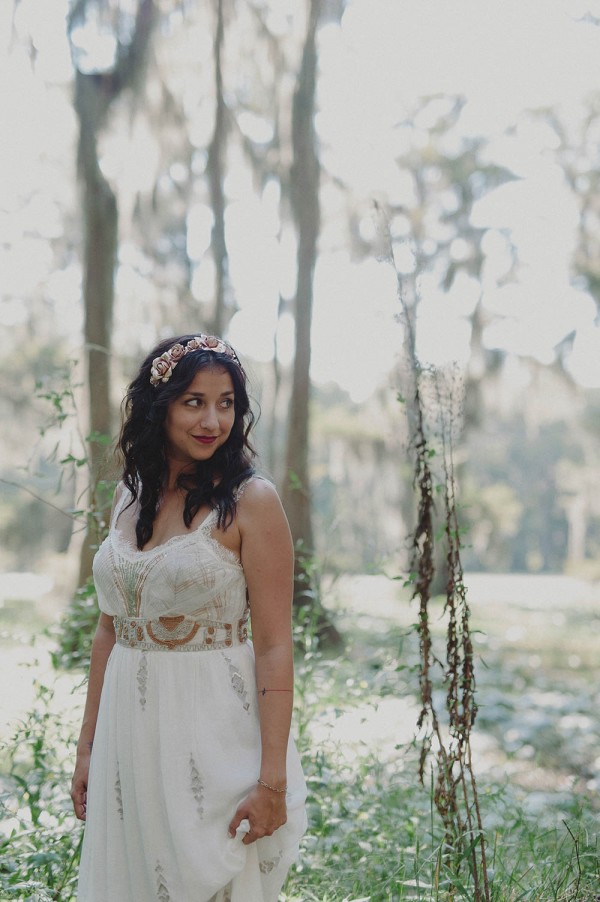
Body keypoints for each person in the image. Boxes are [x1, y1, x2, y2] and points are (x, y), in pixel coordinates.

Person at [71, 333, 307, 902]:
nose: (213, 420)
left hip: (215, 728)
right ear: (161, 408)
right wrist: (87, 750)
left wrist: (271, 781)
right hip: (131, 733)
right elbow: (110, 629)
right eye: (194, 401)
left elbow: (275, 645)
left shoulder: (253, 500)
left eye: (226, 402)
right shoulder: (130, 497)